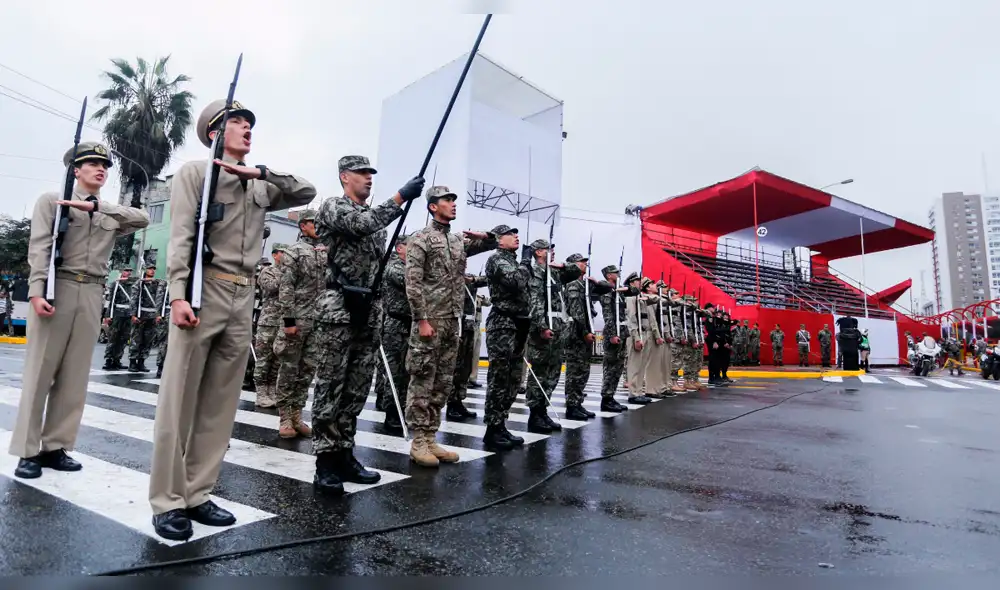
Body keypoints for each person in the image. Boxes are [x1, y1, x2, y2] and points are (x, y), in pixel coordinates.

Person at [148, 99, 317, 540]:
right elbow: (183, 234)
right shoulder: (196, 174)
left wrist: (258, 173)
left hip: (245, 292)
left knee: (220, 403)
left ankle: (198, 493)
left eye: (248, 123)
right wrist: (179, 293)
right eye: (235, 123)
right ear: (214, 134)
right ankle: (167, 500)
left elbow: (306, 191)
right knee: (180, 398)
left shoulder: (260, 184)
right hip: (205, 288)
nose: (246, 129)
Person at [10, 141, 149, 479]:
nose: (100, 169)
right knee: (40, 372)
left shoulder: (108, 211)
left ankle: (55, 446)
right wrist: (37, 290)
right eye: (91, 164)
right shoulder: (52, 202)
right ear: (76, 170)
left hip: (93, 290)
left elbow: (142, 219)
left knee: (74, 377)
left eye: (104, 166)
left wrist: (98, 208)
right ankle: (28, 450)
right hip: (59, 287)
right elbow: (39, 247)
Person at [310, 155, 423, 494]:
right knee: (331, 385)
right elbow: (362, 225)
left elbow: (374, 238)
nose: (368, 179)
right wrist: (401, 198)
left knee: (357, 387)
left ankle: (345, 453)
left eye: (371, 174)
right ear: (345, 177)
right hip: (339, 307)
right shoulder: (334, 207)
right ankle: (325, 462)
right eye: (361, 174)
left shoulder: (375, 219)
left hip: (368, 309)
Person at [403, 186, 496, 466]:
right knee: (422, 379)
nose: (453, 205)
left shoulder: (456, 241)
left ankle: (431, 436)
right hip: (430, 321)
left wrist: (487, 237)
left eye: (454, 200)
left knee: (443, 382)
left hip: (452, 321)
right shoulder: (420, 239)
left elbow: (491, 244)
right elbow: (413, 283)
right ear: (433, 206)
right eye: (447, 200)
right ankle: (418, 440)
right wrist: (421, 319)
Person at [273, 210, 325, 439]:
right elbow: (286, 289)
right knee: (288, 368)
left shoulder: (325, 252)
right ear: (303, 226)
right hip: (297, 320)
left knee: (307, 370)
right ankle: (284, 416)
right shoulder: (293, 252)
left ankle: (297, 413)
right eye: (314, 223)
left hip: (318, 321)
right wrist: (289, 321)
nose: (318, 227)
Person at [482, 225, 534, 449]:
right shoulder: (497, 259)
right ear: (498, 240)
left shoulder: (512, 261)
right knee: (500, 377)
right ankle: (492, 428)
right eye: (510, 234)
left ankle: (501, 423)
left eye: (516, 233)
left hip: (520, 322)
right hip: (503, 322)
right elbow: (516, 282)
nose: (516, 236)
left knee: (513, 378)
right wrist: (525, 263)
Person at [563, 254, 610, 416]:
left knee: (583, 370)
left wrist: (596, 282)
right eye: (581, 262)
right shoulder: (573, 285)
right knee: (575, 370)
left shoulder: (584, 285)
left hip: (583, 332)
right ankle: (571, 405)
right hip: (576, 333)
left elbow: (607, 287)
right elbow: (577, 312)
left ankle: (577, 402)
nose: (585, 264)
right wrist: (585, 332)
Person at [374, 234, 411, 433]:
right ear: (399, 248)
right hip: (395, 324)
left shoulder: (408, 266)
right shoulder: (394, 267)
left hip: (408, 324)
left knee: (406, 372)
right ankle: (392, 413)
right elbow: (411, 282)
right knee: (394, 372)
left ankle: (400, 409)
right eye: (410, 246)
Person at [447, 272, 487, 421]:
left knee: (466, 367)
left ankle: (459, 401)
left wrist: (473, 279)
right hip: (458, 325)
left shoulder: (470, 279)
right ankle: (451, 403)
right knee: (455, 366)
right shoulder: (450, 276)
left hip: (470, 327)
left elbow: (487, 279)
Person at [252, 245, 284, 407]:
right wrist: (287, 276)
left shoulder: (289, 272)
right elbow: (271, 287)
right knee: (264, 359)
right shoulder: (268, 271)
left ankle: (271, 391)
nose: (285, 256)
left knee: (277, 359)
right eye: (282, 253)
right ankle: (261, 393)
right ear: (274, 255)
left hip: (283, 322)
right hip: (268, 322)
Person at [625, 277, 662, 398]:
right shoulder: (631, 297)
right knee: (635, 366)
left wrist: (646, 297)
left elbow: (657, 298)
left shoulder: (641, 297)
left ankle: (639, 391)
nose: (639, 283)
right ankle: (634, 393)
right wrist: (636, 338)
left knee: (642, 366)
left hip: (646, 334)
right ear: (631, 283)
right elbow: (631, 318)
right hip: (637, 334)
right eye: (637, 281)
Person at [128, 264, 162, 372]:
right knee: (136, 339)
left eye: (153, 269)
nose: (152, 271)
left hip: (152, 316)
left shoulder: (157, 284)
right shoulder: (139, 283)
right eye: (150, 269)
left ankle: (141, 362)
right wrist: (133, 314)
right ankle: (133, 362)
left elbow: (159, 299)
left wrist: (158, 314)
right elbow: (133, 299)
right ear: (145, 270)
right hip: (140, 315)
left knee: (148, 340)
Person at [103, 268, 135, 370]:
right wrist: (108, 316)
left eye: (130, 271)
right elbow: (110, 301)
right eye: (126, 271)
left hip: (128, 315)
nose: (128, 273)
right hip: (117, 314)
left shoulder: (132, 285)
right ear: (122, 272)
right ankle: (108, 360)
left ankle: (117, 359)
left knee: (124, 339)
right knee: (113, 338)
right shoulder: (115, 284)